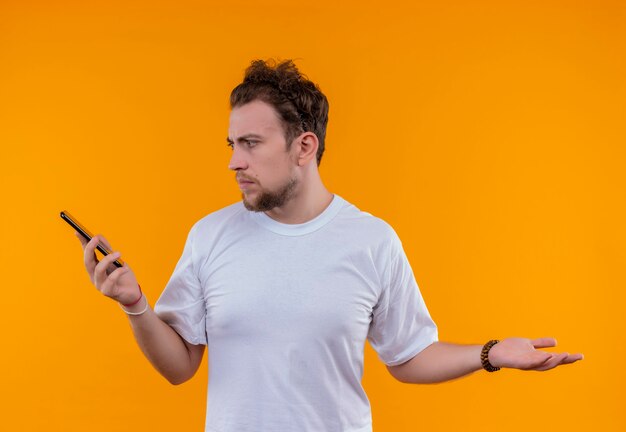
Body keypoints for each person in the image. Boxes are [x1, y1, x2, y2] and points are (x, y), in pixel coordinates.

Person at [76, 59, 583, 432]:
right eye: (231, 145)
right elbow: (179, 367)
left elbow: (409, 357)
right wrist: (135, 304)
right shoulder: (211, 235)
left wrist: (492, 353)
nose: (234, 161)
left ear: (304, 146)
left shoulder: (372, 240)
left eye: (250, 144)